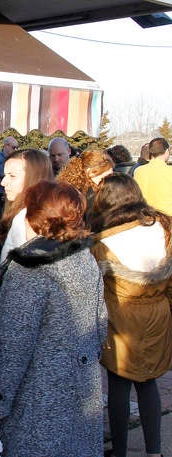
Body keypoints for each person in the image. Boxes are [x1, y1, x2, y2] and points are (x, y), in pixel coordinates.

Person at [0, 181, 107, 457]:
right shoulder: (83, 255)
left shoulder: (29, 268)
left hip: (37, 397)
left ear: (35, 215)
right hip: (80, 388)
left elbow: (14, 343)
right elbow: (100, 325)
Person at [89, 173, 172, 457]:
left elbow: (93, 290)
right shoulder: (165, 227)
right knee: (148, 382)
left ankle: (121, 451)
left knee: (119, 384)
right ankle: (154, 451)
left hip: (121, 316)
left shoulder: (101, 242)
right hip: (159, 313)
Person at [0, 149, 54, 283]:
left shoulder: (27, 219)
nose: (3, 182)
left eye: (12, 176)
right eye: (5, 175)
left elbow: (19, 280)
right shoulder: (48, 210)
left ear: (34, 178)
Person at [57, 149, 114, 220]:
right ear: (91, 171)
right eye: (105, 176)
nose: (109, 180)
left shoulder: (68, 188)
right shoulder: (89, 195)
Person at [134, 137, 172, 216]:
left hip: (145, 216)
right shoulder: (169, 171)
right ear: (167, 151)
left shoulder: (138, 171)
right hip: (167, 218)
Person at [0, 136, 19, 221]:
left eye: (17, 147)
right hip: (2, 191)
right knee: (4, 215)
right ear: (6, 146)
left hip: (13, 190)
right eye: (14, 147)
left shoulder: (14, 157)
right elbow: (4, 174)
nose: (16, 150)